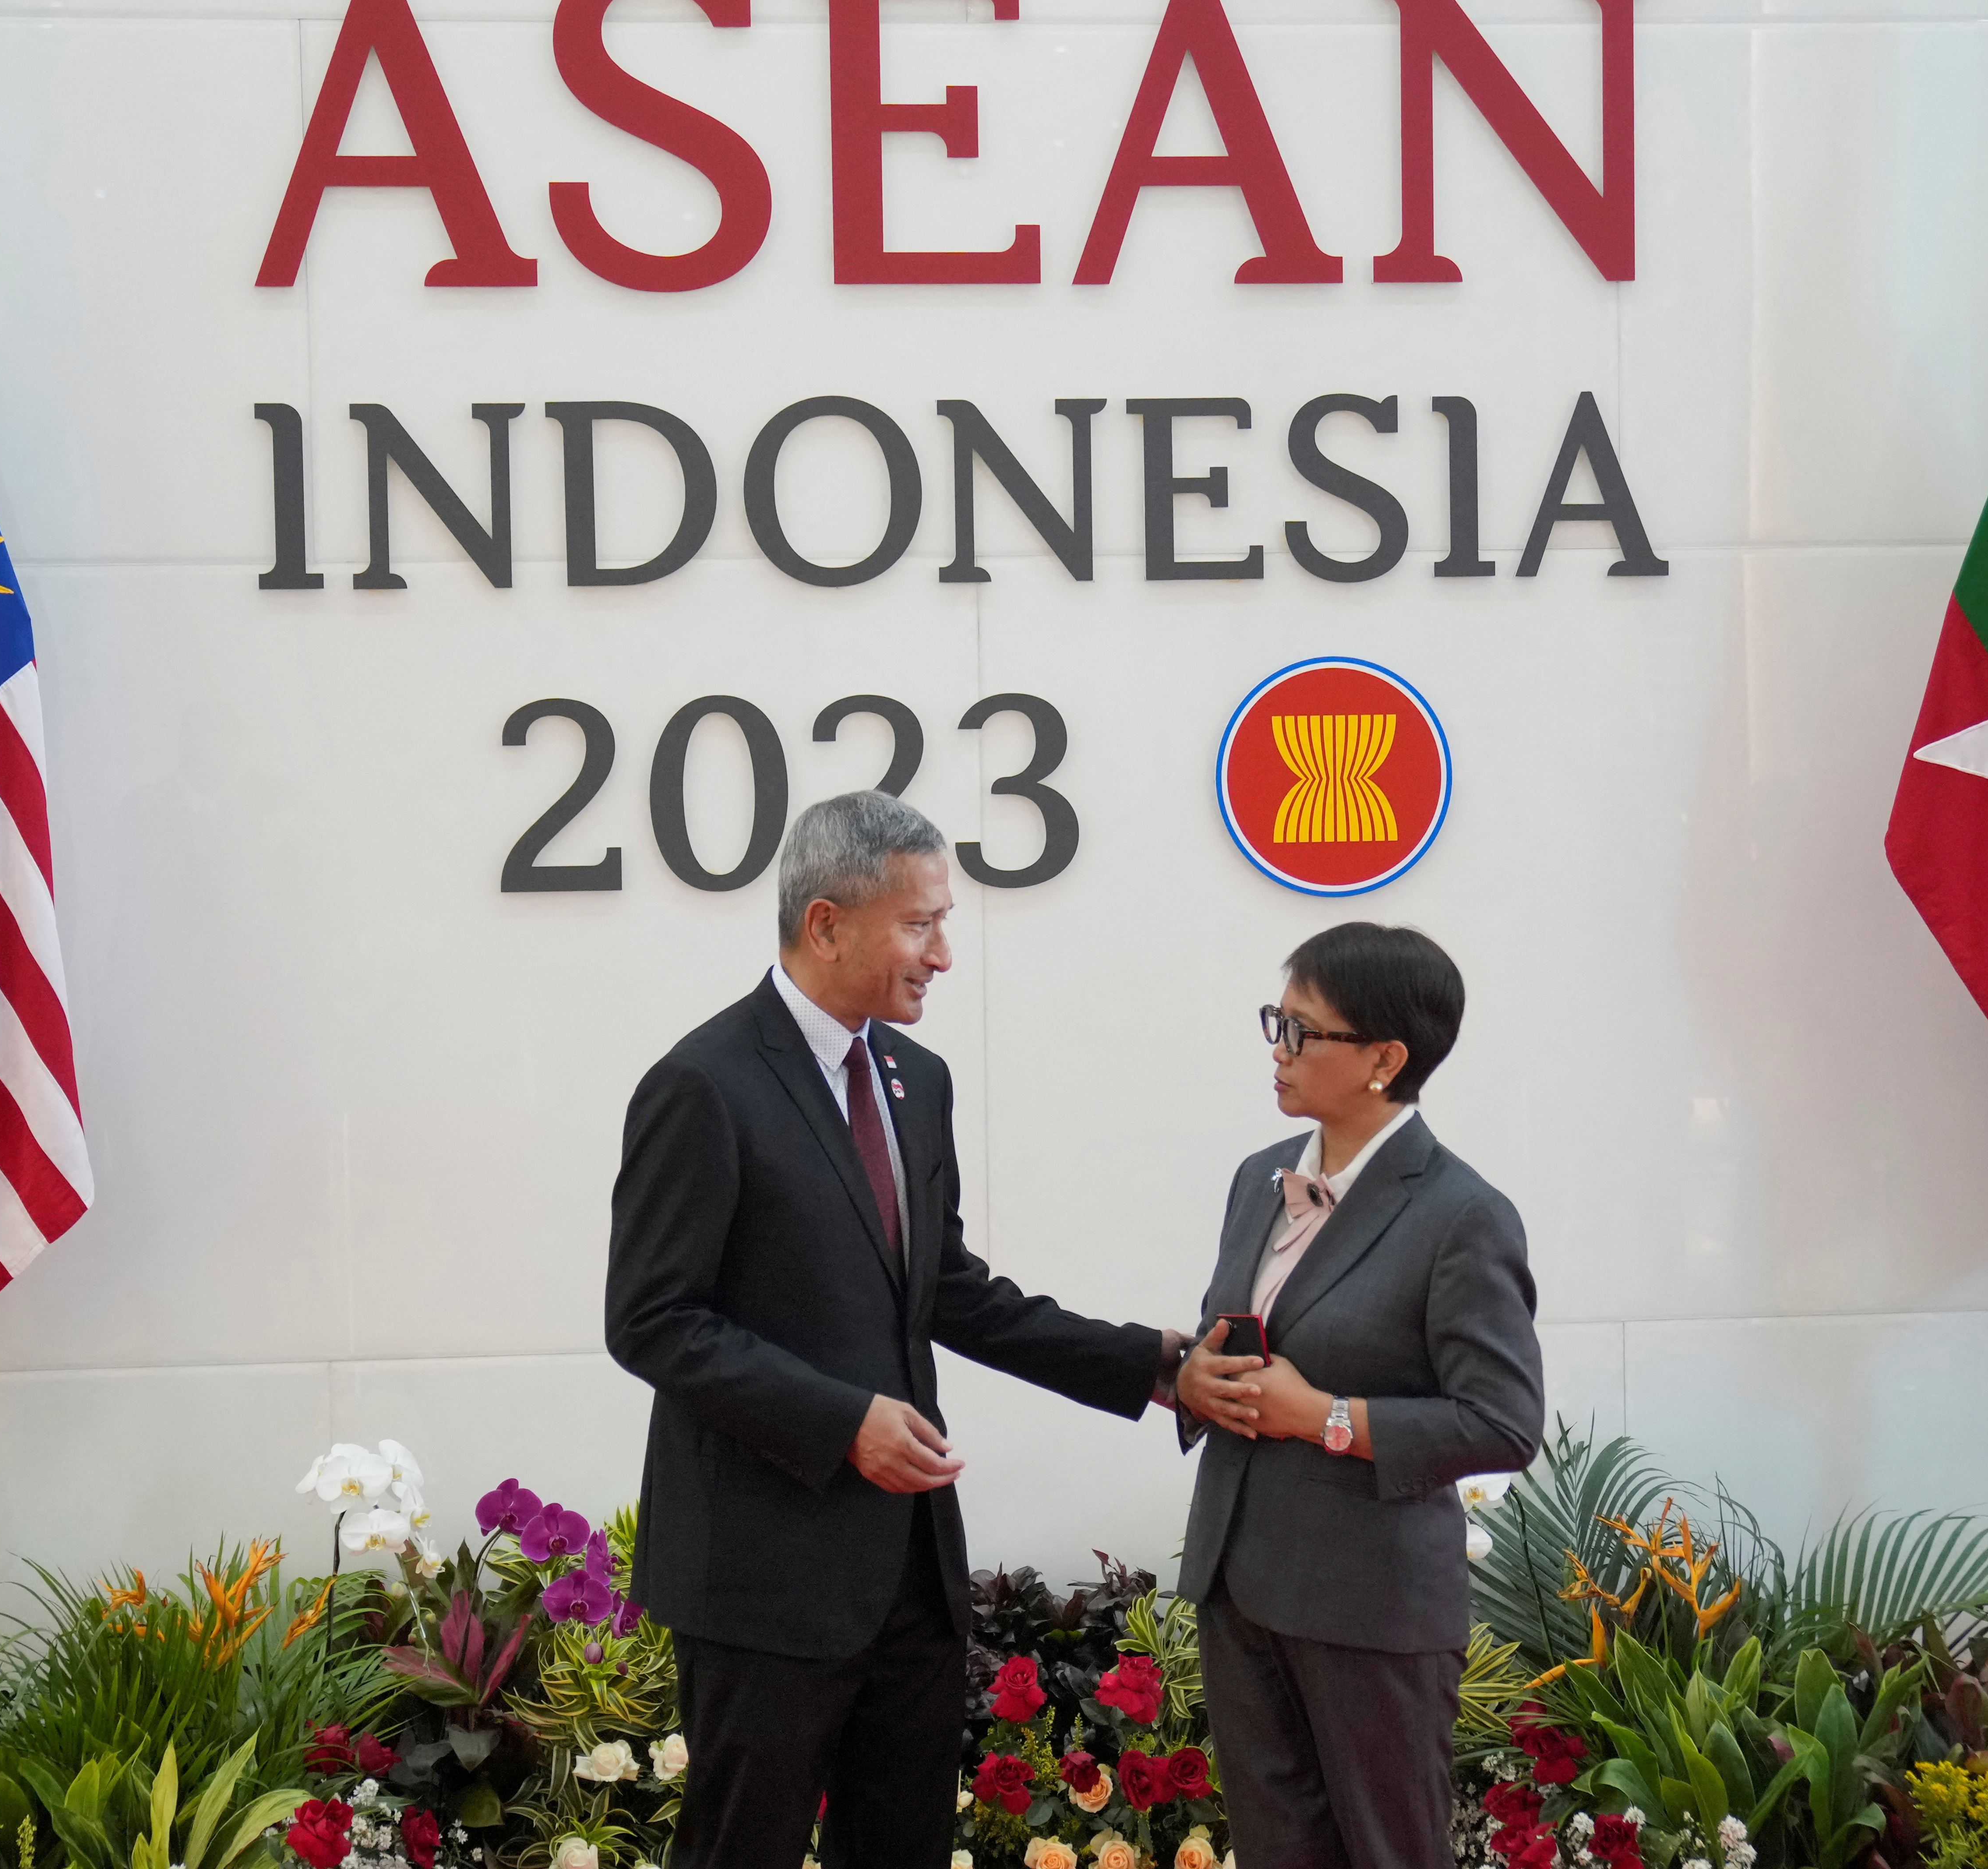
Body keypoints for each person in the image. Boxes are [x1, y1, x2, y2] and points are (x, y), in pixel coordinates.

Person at [605, 789, 1192, 1869]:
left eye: (945, 924)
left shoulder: (914, 1080)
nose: (945, 955)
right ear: (827, 923)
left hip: (911, 1581)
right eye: (922, 924)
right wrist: (842, 1424)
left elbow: (946, 1289)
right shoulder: (703, 1086)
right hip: (761, 1585)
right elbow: (653, 1321)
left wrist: (1143, 1362)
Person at [1173, 921, 1544, 1869]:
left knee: (1388, 1853)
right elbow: (1250, 1341)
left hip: (1370, 1604)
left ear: (1385, 1057)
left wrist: (1327, 1419)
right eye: (1277, 1022)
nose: (1278, 1050)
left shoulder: (1463, 1214)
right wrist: (1196, 1378)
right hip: (1242, 1581)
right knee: (1275, 1850)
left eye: (1304, 1031)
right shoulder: (1260, 1179)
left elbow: (1502, 1421)